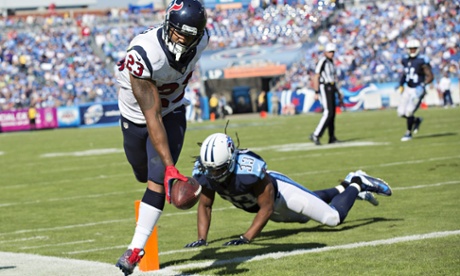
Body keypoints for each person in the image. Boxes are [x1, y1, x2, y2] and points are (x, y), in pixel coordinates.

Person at [114, 0, 209, 274]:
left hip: (174, 110)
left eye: (188, 34)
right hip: (138, 115)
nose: (180, 38)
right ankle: (158, 171)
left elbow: (162, 115)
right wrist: (169, 166)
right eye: (177, 30)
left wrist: (167, 169)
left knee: (157, 181)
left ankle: (135, 249)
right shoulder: (144, 52)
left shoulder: (202, 42)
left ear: (199, 35)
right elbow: (151, 114)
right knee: (143, 173)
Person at [184, 133, 391, 247]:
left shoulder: (249, 170)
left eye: (218, 169)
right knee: (308, 210)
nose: (213, 174)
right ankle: (344, 186)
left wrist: (246, 238)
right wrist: (202, 240)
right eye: (210, 169)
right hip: (269, 209)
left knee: (332, 218)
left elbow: (266, 207)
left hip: (281, 193)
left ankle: (357, 181)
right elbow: (206, 205)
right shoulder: (205, 171)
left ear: (230, 159)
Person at [397, 38, 434, 142]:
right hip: (408, 88)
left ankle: (408, 133)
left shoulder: (422, 60)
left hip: (417, 90)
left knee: (409, 112)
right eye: (411, 49)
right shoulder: (405, 60)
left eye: (414, 49)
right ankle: (417, 120)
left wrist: (423, 85)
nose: (412, 51)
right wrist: (401, 84)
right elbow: (405, 74)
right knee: (400, 113)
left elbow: (430, 76)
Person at [309, 42, 343, 146]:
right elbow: (316, 76)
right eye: (330, 52)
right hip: (325, 87)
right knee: (328, 113)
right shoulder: (323, 61)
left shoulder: (331, 62)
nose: (332, 54)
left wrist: (337, 91)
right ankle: (316, 134)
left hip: (332, 87)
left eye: (333, 52)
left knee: (332, 113)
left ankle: (331, 136)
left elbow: (333, 78)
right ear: (325, 52)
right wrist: (316, 91)